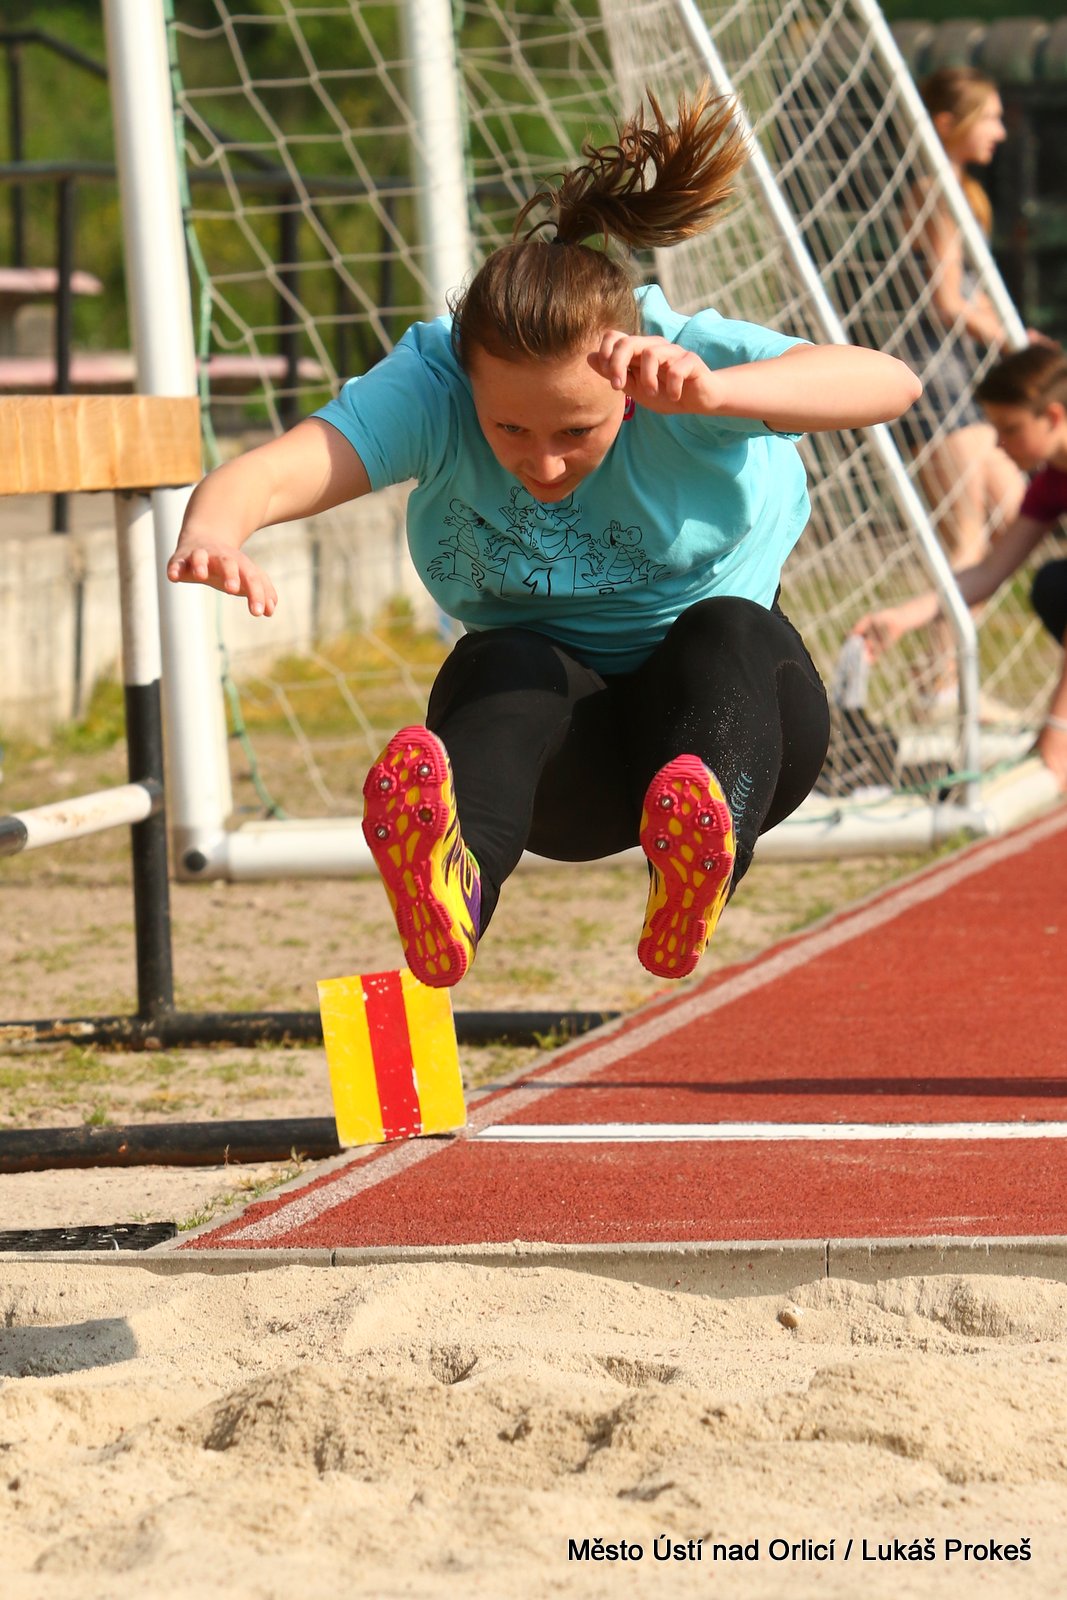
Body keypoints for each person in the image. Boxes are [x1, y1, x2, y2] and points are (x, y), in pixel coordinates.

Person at [166, 85, 922, 988]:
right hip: (566, 774)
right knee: (501, 661)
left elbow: (889, 382)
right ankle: (455, 885)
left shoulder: (677, 359)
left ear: (625, 394)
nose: (545, 463)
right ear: (468, 387)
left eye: (576, 430)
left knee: (728, 629)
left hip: (740, 729)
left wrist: (720, 394)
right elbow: (273, 470)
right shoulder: (432, 384)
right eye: (510, 430)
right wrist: (217, 530)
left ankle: (700, 852)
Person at [854, 343, 1067, 792]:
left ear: (1053, 417)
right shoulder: (1051, 483)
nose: (999, 444)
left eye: (1010, 428)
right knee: (1052, 585)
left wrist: (1057, 729)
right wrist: (902, 618)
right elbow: (988, 572)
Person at [900, 67, 1033, 714]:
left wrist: (1016, 336)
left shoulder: (961, 190)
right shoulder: (933, 191)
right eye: (990, 117)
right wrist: (1012, 344)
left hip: (962, 374)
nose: (1000, 131)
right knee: (969, 536)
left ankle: (944, 676)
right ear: (947, 124)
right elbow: (947, 301)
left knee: (1016, 513)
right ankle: (941, 686)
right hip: (937, 376)